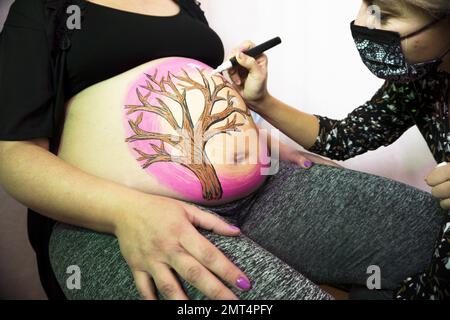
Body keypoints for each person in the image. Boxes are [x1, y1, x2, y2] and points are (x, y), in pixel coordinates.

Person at [0, 0, 443, 300]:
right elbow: (13, 153)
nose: (366, 22)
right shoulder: (46, 10)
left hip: (263, 190)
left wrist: (256, 139)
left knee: (431, 234)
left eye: (385, 13)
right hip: (119, 218)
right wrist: (126, 211)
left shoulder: (184, 3)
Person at [227, 0, 449, 299]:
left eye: (386, 15)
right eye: (367, 5)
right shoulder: (422, 81)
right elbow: (344, 137)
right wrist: (259, 100)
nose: (364, 23)